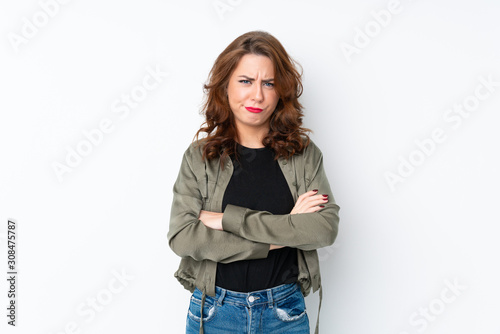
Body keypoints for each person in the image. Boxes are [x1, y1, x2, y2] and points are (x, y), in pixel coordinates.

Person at [167, 30, 340, 334]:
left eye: (268, 83)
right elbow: (183, 237)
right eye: (245, 81)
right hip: (214, 312)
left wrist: (227, 220)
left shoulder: (303, 154)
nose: (257, 95)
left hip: (284, 313)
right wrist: (288, 228)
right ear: (225, 87)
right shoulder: (199, 157)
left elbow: (324, 229)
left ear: (281, 91)